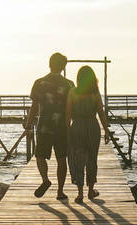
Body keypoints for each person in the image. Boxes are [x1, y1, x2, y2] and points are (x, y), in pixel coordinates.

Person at [26, 52, 74, 199]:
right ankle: (60, 191)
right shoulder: (69, 84)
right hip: (62, 127)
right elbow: (72, 107)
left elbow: (34, 107)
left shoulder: (39, 83)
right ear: (63, 67)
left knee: (39, 156)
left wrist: (28, 124)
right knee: (62, 159)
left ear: (49, 64)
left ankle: (45, 180)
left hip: (44, 126)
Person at [66, 65, 109, 203]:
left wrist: (67, 130)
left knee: (78, 159)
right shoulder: (95, 93)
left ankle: (80, 194)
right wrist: (106, 130)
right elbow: (101, 113)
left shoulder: (73, 92)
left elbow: (68, 113)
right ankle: (91, 190)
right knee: (92, 159)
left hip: (77, 126)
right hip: (92, 126)